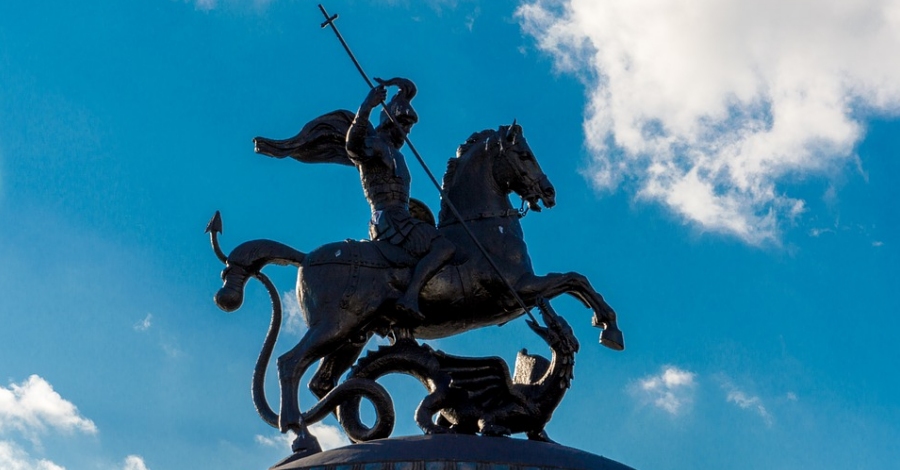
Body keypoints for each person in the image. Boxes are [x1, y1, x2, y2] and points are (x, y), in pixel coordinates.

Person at [345, 78, 454, 323]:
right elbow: (353, 146)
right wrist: (366, 107)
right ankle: (410, 297)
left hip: (401, 216)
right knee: (444, 247)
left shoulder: (395, 153)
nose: (406, 131)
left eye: (409, 127)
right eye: (403, 125)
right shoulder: (376, 145)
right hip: (389, 218)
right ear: (389, 121)